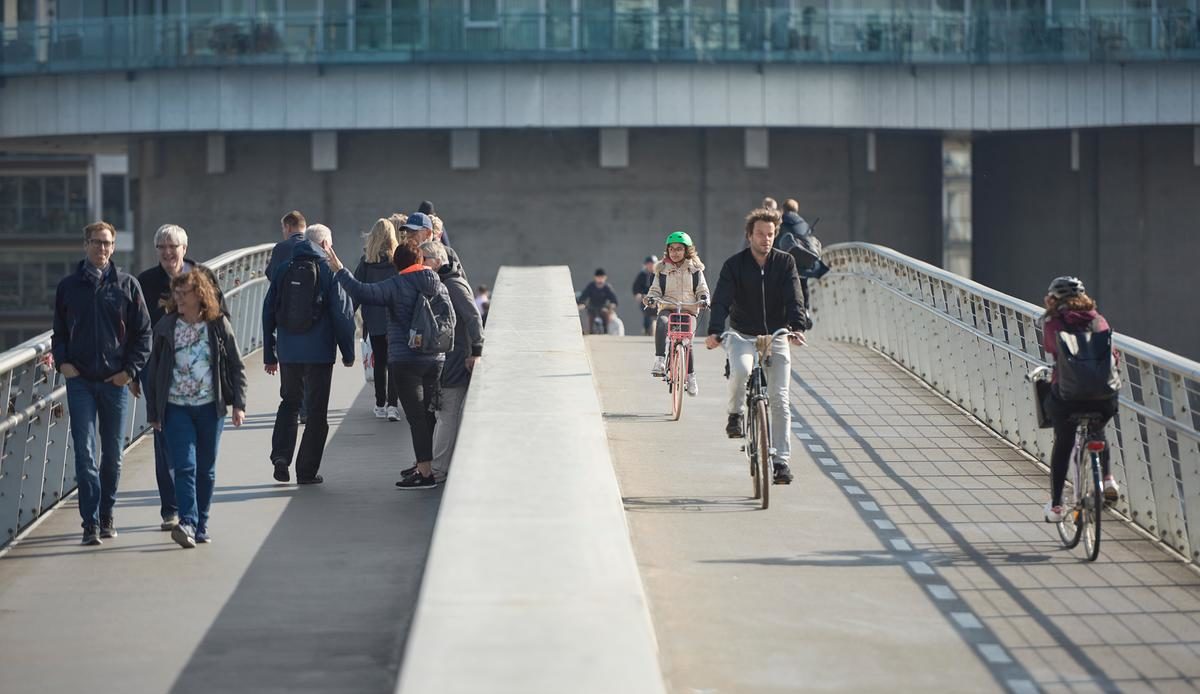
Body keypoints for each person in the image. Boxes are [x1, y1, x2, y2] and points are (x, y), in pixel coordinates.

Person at [51, 221, 152, 545]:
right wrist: (64, 363)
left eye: (108, 243)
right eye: (97, 243)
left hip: (114, 381)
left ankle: (107, 512)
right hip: (79, 380)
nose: (103, 249)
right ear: (86, 245)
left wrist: (129, 372)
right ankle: (89, 523)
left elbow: (144, 334)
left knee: (113, 455)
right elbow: (59, 332)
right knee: (84, 453)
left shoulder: (127, 285)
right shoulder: (68, 286)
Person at [324, 238, 452, 490]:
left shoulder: (396, 284)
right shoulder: (438, 283)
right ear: (420, 260)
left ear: (397, 264)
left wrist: (339, 269)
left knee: (416, 418)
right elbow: (450, 317)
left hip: (406, 360)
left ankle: (425, 474)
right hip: (436, 358)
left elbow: (362, 291)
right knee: (428, 415)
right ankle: (424, 465)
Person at [135, 223, 228, 531]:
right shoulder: (146, 282)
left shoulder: (203, 276)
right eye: (161, 247)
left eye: (172, 246)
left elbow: (221, 317)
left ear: (184, 249)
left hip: (201, 373)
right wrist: (134, 371)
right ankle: (171, 509)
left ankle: (196, 512)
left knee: (201, 449)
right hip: (159, 371)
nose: (166, 252)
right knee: (164, 440)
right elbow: (134, 328)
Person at [705, 208, 808, 485]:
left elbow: (795, 298)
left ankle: (781, 462)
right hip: (742, 335)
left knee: (780, 399)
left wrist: (797, 327)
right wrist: (715, 331)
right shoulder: (734, 265)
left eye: (771, 234)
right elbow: (722, 300)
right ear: (749, 235)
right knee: (740, 370)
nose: (766, 239)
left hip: (776, 335)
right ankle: (735, 413)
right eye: (760, 234)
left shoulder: (785, 263)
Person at [145, 271, 247, 548]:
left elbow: (237, 365)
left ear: (199, 294)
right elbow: (154, 372)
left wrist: (239, 404)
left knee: (206, 469)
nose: (178, 298)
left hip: (209, 408)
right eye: (175, 293)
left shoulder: (217, 325)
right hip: (176, 407)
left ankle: (201, 524)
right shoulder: (166, 327)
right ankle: (187, 522)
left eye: (184, 293)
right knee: (184, 465)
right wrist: (153, 412)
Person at [262, 223, 357, 485]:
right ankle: (306, 471)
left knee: (289, 403)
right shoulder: (328, 272)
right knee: (316, 413)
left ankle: (281, 457)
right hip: (319, 355)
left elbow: (268, 310)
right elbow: (343, 316)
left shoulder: (283, 270)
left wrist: (270, 353)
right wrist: (348, 353)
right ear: (326, 245)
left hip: (288, 353)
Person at [1040, 276, 1121, 523]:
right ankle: (1107, 478)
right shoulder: (1098, 320)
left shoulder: (1054, 322)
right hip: (1104, 396)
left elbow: (1051, 348)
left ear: (1054, 299)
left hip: (1068, 397)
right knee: (1098, 429)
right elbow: (1113, 355)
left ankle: (1056, 506)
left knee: (1063, 442)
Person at [413, 239, 483, 483]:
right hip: (448, 359)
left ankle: (439, 469)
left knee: (447, 414)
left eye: (423, 261)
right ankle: (436, 465)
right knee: (445, 413)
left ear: (434, 261)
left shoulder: (452, 285)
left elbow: (474, 317)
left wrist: (477, 350)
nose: (420, 266)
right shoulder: (446, 283)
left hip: (455, 360)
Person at [644, 231, 710, 396]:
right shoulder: (662, 269)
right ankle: (659, 359)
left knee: (687, 341)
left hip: (689, 308)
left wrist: (703, 299)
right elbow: (655, 289)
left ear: (687, 250)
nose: (675, 252)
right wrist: (651, 298)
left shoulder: (695, 270)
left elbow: (702, 289)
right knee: (662, 322)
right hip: (668, 306)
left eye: (679, 249)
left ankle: (691, 376)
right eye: (671, 249)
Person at [353, 218, 401, 421]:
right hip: (396, 319)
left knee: (380, 362)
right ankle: (393, 405)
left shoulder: (366, 262)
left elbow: (355, 290)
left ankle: (380, 404)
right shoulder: (397, 262)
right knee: (395, 362)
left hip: (374, 320)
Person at [265, 210, 307, 280]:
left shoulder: (281, 247)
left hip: (288, 290)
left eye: (283, 228)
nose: (283, 231)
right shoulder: (315, 246)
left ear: (288, 227)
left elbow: (272, 275)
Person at [577, 268, 619, 334]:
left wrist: (612, 305)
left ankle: (606, 331)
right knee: (590, 317)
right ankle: (590, 331)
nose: (600, 279)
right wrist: (582, 303)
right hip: (592, 307)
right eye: (598, 277)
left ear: (605, 278)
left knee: (605, 313)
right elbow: (583, 296)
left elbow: (614, 300)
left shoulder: (607, 287)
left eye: (602, 277)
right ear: (595, 278)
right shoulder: (591, 286)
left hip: (603, 307)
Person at [631, 255, 659, 336]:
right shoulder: (642, 275)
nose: (650, 266)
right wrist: (638, 294)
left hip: (658, 298)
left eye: (652, 264)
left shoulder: (660, 274)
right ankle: (647, 330)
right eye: (649, 264)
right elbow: (636, 287)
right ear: (646, 265)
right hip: (646, 297)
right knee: (647, 314)